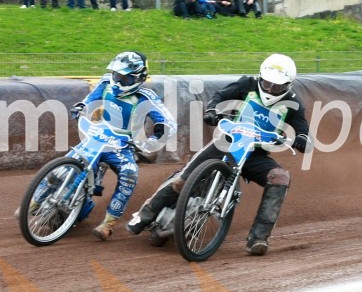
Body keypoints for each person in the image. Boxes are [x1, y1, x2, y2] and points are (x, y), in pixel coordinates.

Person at [128, 54, 312, 256]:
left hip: (256, 154)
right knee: (183, 179)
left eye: (276, 87)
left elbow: (304, 131)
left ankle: (258, 238)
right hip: (227, 142)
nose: (270, 90)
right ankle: (145, 215)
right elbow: (220, 97)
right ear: (260, 77)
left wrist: (301, 139)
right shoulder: (246, 84)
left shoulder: (293, 103)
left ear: (288, 85)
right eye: (267, 83)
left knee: (280, 178)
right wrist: (213, 111)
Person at [69, 51, 177, 240]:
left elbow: (169, 125)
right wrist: (81, 107)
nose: (118, 82)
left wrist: (149, 143)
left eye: (125, 78)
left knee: (130, 174)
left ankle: (108, 224)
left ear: (139, 78)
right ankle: (36, 200)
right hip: (97, 136)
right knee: (70, 161)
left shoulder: (146, 97)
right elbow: (90, 100)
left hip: (122, 146)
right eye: (117, 76)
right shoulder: (105, 83)